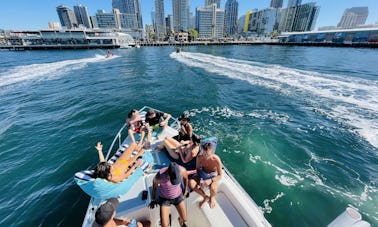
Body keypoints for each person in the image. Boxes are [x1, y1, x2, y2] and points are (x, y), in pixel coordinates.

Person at [149, 162, 188, 227]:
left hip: (178, 196)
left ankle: (180, 221)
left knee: (185, 219)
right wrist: (153, 199)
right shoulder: (160, 176)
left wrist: (185, 190)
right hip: (165, 198)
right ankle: (167, 219)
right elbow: (154, 185)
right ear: (168, 173)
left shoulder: (183, 170)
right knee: (164, 225)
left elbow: (186, 179)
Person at [189, 142, 222, 208]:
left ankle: (212, 197)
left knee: (213, 189)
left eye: (207, 153)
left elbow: (220, 175)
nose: (204, 155)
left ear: (212, 152)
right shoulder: (200, 157)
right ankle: (205, 197)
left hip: (212, 176)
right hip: (202, 174)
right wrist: (199, 180)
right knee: (191, 183)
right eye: (203, 152)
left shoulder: (216, 160)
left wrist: (210, 180)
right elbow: (197, 170)